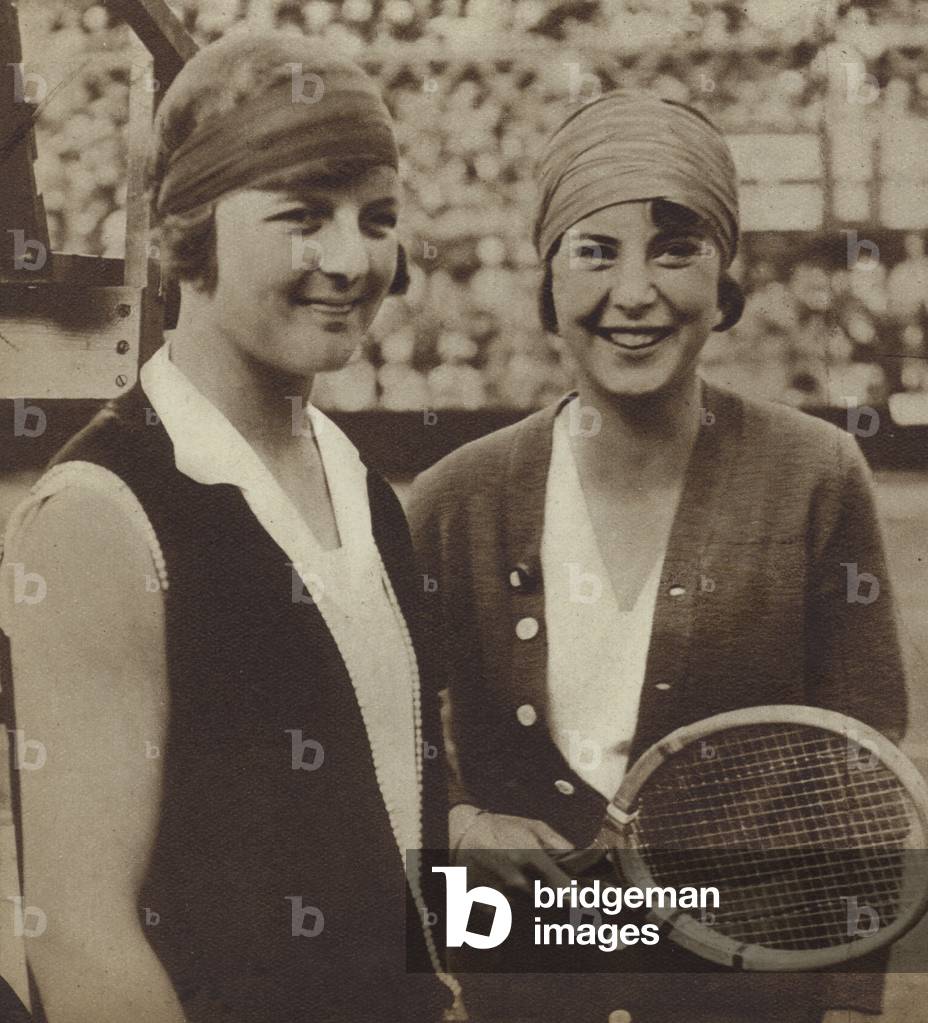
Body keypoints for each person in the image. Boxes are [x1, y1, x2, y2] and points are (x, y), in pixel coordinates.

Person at [408, 90, 908, 1023]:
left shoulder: (817, 474)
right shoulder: (454, 497)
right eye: (595, 250)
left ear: (724, 281)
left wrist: (850, 1002)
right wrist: (457, 824)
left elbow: (863, 768)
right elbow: (372, 745)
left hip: (751, 991)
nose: (633, 292)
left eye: (675, 250)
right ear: (548, 277)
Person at [0, 31, 454, 1023]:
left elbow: (386, 832)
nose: (350, 258)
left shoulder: (359, 484)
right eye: (302, 215)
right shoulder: (100, 519)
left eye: (376, 218)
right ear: (185, 233)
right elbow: (81, 939)